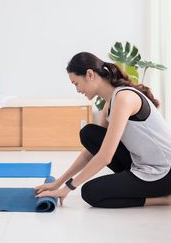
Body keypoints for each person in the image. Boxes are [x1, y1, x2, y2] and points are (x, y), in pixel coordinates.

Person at [35, 52, 171, 208]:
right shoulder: (110, 103)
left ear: (90, 74)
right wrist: (58, 183)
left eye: (76, 83)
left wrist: (67, 188)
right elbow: (92, 151)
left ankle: (165, 198)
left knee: (90, 192)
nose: (77, 90)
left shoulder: (124, 98)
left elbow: (106, 156)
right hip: (142, 164)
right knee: (89, 133)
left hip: (164, 173)